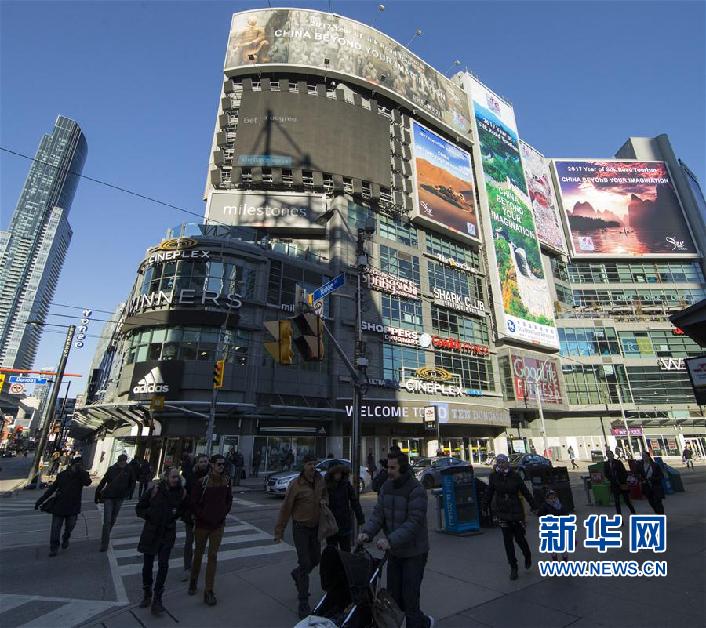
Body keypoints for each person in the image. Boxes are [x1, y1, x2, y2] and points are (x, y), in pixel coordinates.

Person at [357, 451, 433, 628]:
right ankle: (420, 622)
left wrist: (390, 540)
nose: (388, 471)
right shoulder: (386, 487)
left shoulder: (416, 490)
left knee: (410, 597)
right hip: (394, 552)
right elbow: (378, 514)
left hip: (414, 553)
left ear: (403, 468)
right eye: (388, 467)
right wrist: (367, 533)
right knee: (394, 598)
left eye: (393, 468)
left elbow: (414, 523)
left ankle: (421, 623)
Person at [274, 453, 327, 619]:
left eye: (314, 464)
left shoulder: (320, 480)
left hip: (315, 527)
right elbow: (286, 508)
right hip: (301, 528)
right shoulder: (296, 484)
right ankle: (303, 601)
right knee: (305, 563)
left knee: (316, 559)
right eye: (309, 464)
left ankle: (297, 573)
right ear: (303, 466)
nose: (312, 467)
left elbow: (325, 494)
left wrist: (324, 501)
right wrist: (279, 531)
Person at [136, 467, 188, 615]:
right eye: (173, 477)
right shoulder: (155, 490)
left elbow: (184, 509)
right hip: (151, 532)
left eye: (177, 477)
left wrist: (176, 515)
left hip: (167, 533)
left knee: (163, 565)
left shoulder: (181, 493)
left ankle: (157, 598)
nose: (176, 480)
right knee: (147, 565)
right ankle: (147, 593)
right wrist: (150, 515)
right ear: (166, 478)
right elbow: (139, 508)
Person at [482, 453, 537, 580]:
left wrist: (534, 506)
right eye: (499, 462)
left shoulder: (515, 476)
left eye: (503, 462)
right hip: (503, 511)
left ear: (507, 463)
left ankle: (527, 555)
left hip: (516, 510)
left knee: (520, 538)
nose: (501, 465)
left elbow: (525, 492)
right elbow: (489, 492)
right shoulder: (494, 477)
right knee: (507, 541)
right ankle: (513, 566)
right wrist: (484, 506)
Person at [188, 454, 233, 606]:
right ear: (212, 465)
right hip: (202, 525)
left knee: (213, 556)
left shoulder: (226, 481)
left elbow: (229, 499)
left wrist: (224, 512)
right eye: (219, 464)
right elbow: (193, 502)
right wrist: (203, 515)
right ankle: (193, 579)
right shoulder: (202, 482)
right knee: (198, 554)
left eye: (223, 464)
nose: (222, 467)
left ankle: (209, 590)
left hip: (218, 525)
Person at [35, 457, 91, 557]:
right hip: (59, 505)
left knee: (70, 526)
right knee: (55, 528)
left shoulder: (82, 475)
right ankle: (54, 548)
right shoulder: (63, 475)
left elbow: (88, 482)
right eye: (77, 465)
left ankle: (66, 537)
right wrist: (40, 500)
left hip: (73, 506)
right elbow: (52, 489)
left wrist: (81, 472)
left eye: (80, 465)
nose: (79, 467)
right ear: (72, 465)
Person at [96, 453, 136, 551]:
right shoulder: (112, 469)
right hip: (109, 496)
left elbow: (132, 483)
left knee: (113, 519)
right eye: (121, 462)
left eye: (124, 462)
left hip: (120, 497)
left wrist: (128, 493)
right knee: (107, 520)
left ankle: (106, 534)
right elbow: (104, 481)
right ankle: (104, 543)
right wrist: (98, 492)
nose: (123, 463)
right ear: (118, 461)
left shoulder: (129, 470)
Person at [181, 454, 210, 582]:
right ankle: (187, 567)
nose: (203, 463)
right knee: (189, 541)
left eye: (205, 461)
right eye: (201, 461)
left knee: (200, 542)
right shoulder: (190, 475)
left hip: (204, 514)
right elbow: (184, 493)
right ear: (197, 463)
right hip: (191, 513)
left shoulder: (212, 475)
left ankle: (195, 565)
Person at [325, 463, 364, 552]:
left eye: (339, 472)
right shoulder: (327, 486)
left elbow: (354, 502)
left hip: (344, 523)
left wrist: (360, 518)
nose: (338, 475)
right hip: (331, 524)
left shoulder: (346, 485)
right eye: (336, 473)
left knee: (345, 551)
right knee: (332, 552)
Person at [535, 488, 569, 561]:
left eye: (554, 497)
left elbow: (566, 514)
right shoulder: (545, 506)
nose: (552, 499)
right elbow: (539, 514)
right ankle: (555, 560)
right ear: (547, 498)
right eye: (550, 498)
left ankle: (565, 560)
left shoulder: (560, 505)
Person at [603, 450, 635, 517]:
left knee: (626, 500)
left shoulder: (618, 462)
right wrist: (611, 479)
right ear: (607, 456)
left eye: (610, 454)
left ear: (613, 455)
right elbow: (606, 474)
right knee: (617, 502)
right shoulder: (606, 464)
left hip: (622, 483)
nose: (610, 456)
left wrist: (623, 480)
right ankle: (619, 517)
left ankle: (633, 511)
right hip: (614, 485)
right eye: (608, 454)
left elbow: (624, 472)